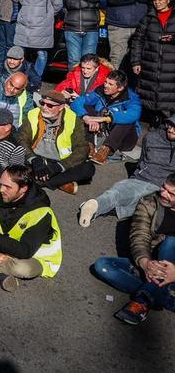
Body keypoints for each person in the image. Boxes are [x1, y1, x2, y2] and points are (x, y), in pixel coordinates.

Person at [92, 174, 175, 325]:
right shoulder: (150, 202)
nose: (163, 193)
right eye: (163, 187)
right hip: (149, 265)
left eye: (171, 193)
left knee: (171, 242)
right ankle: (161, 297)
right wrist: (145, 263)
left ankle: (143, 300)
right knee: (102, 266)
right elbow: (139, 235)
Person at [79, 114, 175, 227]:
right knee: (117, 192)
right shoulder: (151, 138)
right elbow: (142, 160)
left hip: (166, 188)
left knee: (153, 207)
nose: (171, 129)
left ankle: (111, 210)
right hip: (142, 179)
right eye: (170, 125)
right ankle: (94, 205)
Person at [21, 92, 94, 195]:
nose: (44, 107)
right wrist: (34, 159)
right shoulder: (33, 114)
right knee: (17, 158)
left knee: (88, 168)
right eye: (42, 103)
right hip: (37, 158)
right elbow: (22, 139)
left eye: (50, 105)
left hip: (60, 161)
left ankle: (40, 181)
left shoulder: (73, 120)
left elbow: (82, 148)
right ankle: (59, 182)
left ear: (61, 107)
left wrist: (59, 166)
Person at [128, 0, 175, 123]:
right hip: (150, 61)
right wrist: (135, 62)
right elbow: (137, 40)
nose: (157, 3)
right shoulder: (148, 18)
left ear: (168, 0)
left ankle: (167, 121)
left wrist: (172, 39)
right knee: (150, 91)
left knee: (168, 92)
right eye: (154, 0)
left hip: (170, 63)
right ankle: (155, 120)